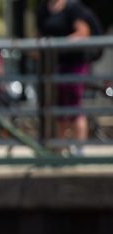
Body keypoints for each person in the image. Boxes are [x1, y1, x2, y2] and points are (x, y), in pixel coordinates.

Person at [36, 0, 95, 153]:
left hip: (73, 63)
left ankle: (79, 150)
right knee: (58, 108)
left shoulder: (73, 7)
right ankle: (59, 149)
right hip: (53, 65)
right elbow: (39, 35)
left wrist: (58, 44)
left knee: (74, 106)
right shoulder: (43, 9)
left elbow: (83, 32)